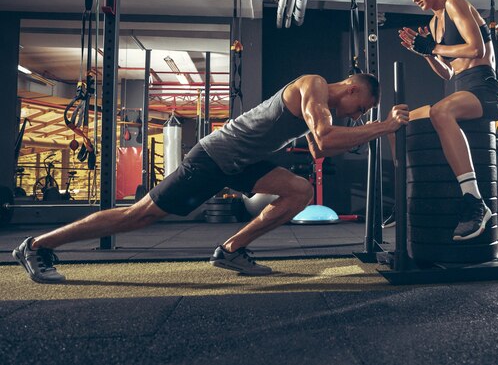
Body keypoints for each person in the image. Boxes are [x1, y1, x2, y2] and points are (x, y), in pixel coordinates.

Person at [13, 73, 409, 283]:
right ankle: (37, 245)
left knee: (299, 191)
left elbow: (321, 149)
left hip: (244, 161)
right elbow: (325, 137)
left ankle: (231, 250)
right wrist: (384, 127)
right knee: (141, 215)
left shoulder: (320, 104)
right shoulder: (314, 85)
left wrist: (372, 130)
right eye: (363, 107)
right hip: (215, 156)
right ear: (354, 88)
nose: (358, 115)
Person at [396, 0, 498, 241]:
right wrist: (427, 53)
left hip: (483, 89)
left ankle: (474, 201)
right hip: (460, 89)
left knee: (440, 112)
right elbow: (447, 71)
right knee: (401, 120)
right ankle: (402, 195)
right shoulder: (434, 22)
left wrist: (434, 46)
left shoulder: (455, 2)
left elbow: (475, 48)